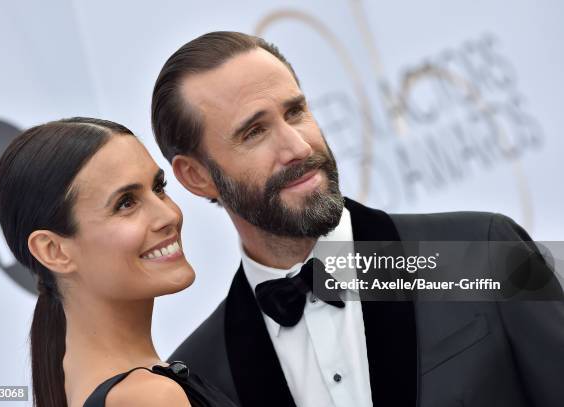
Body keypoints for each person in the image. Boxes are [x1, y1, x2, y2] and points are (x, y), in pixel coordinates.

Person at [150, 31, 564, 407]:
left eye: (295, 112)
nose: (297, 146)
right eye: (254, 132)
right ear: (197, 176)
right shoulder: (194, 379)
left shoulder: (482, 251)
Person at [0, 117, 238, 407]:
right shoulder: (148, 397)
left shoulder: (76, 382)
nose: (168, 216)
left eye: (159, 188)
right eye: (126, 203)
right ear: (53, 251)